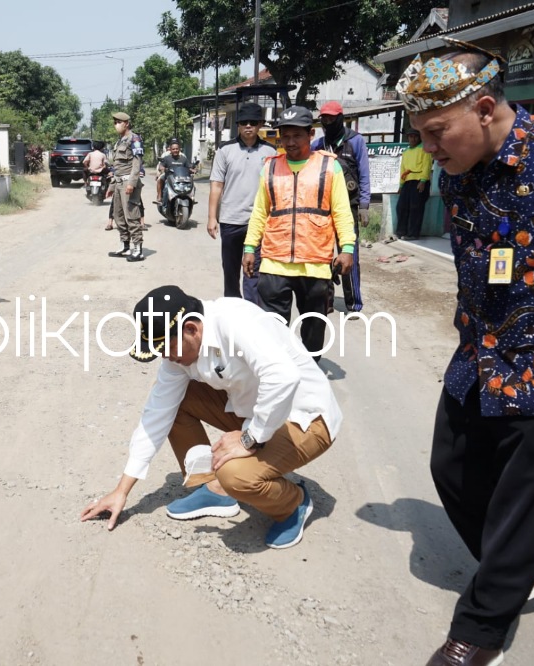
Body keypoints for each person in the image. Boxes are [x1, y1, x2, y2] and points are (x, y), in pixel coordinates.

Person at [397, 38, 534, 666]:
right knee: (450, 469)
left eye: (437, 132)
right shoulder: (460, 169)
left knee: (521, 501)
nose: (429, 149)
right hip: (479, 354)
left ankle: (479, 634)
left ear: (485, 108)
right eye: (422, 135)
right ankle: (516, 567)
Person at [79, 285, 342, 549]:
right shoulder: (179, 349)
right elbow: (158, 412)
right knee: (176, 403)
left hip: (305, 417)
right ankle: (216, 490)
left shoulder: (235, 322)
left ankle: (292, 504)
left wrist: (250, 438)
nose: (165, 356)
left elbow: (284, 377)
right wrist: (121, 490)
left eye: (167, 347)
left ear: (192, 329)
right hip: (255, 409)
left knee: (235, 474)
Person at [242, 106, 355, 360]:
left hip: (315, 265)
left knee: (313, 331)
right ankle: (278, 377)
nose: (290, 142)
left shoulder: (329, 167)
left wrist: (347, 249)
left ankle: (310, 376)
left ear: (310, 134)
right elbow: (260, 212)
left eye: (297, 136)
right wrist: (250, 248)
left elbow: (342, 213)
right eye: (285, 136)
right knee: (272, 331)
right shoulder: (270, 168)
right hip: (274, 264)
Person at [208, 102, 277, 302]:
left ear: (260, 124)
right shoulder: (225, 150)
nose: (248, 126)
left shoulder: (271, 152)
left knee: (253, 273)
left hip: (258, 223)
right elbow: (216, 185)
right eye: (244, 122)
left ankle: (251, 312)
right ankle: (232, 309)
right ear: (238, 125)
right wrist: (212, 217)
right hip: (230, 220)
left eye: (253, 122)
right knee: (230, 272)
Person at [312, 101, 370, 313]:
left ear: (340, 118)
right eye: (324, 118)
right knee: (324, 255)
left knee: (349, 255)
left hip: (350, 207)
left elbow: (364, 174)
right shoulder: (317, 145)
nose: (327, 122)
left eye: (331, 118)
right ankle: (325, 301)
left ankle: (353, 304)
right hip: (324, 209)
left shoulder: (355, 142)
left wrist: (364, 205)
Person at [106, 111, 145, 262]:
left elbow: (136, 163)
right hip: (118, 183)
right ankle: (125, 245)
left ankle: (138, 249)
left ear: (126, 123)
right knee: (118, 215)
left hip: (129, 183)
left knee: (132, 216)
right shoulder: (119, 141)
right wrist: (111, 186)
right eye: (114, 122)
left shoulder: (134, 139)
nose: (116, 125)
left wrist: (132, 183)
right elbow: (117, 167)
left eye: (118, 122)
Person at [395, 127, 433, 241]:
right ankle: (401, 231)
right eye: (411, 136)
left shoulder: (424, 150)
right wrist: (401, 185)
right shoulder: (406, 152)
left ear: (420, 137)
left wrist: (423, 181)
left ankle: (413, 234)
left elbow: (427, 165)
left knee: (415, 208)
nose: (413, 138)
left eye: (415, 136)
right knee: (401, 207)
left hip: (419, 181)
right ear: (408, 138)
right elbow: (403, 169)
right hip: (407, 181)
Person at [154, 138, 192, 208]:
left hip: (180, 179)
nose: (175, 150)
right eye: (173, 149)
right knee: (163, 185)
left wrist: (193, 169)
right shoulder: (166, 158)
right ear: (170, 150)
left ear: (179, 149)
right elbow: (161, 165)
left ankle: (191, 200)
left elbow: (189, 167)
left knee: (192, 186)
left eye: (177, 149)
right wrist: (162, 168)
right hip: (168, 179)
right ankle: (162, 202)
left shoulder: (184, 159)